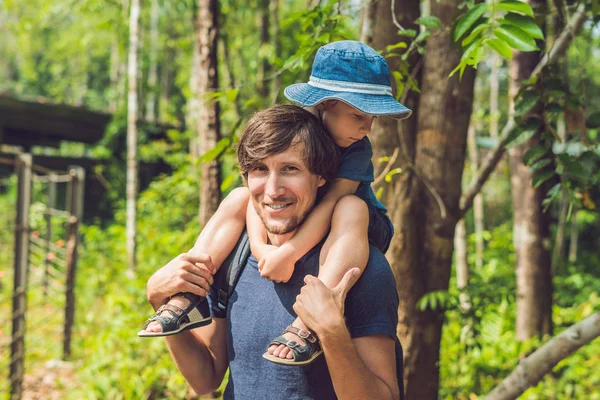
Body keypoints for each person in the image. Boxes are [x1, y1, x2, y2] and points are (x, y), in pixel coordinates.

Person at [139, 40, 411, 366]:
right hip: (295, 217)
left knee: (352, 207)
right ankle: (188, 292)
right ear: (325, 104)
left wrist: (289, 253)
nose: (366, 128)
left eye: (371, 118)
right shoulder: (294, 132)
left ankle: (313, 315)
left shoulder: (357, 149)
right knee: (239, 196)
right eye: (357, 115)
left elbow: (332, 202)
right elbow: (257, 197)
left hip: (354, 227)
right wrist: (260, 249)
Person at [145, 104, 403, 399]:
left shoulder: (358, 270)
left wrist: (332, 333)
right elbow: (206, 380)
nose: (272, 190)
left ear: (321, 177)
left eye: (290, 169)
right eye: (259, 169)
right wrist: (158, 297)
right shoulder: (233, 257)